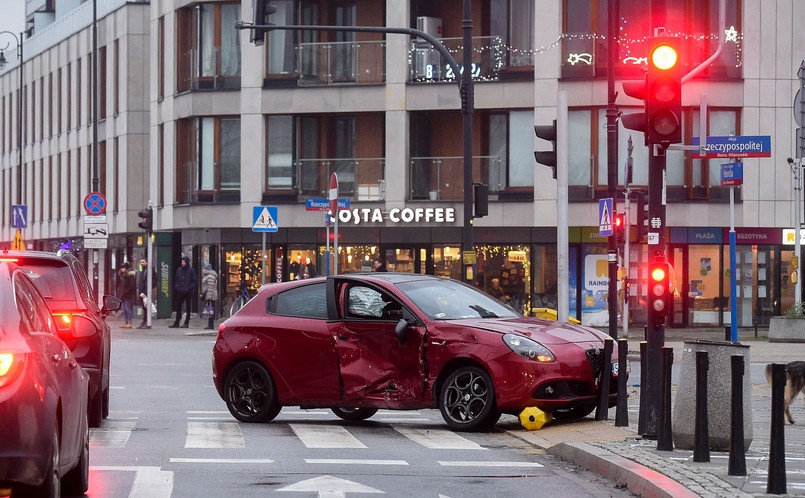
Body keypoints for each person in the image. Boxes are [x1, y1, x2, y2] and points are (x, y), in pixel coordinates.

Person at [170, 256, 198, 328]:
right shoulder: (179, 270)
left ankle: (186, 322)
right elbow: (177, 279)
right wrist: (177, 286)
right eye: (182, 262)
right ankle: (177, 322)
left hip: (188, 292)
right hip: (180, 291)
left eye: (184, 262)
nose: (183, 263)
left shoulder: (191, 270)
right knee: (178, 306)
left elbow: (194, 281)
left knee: (188, 307)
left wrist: (189, 288)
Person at [136, 257, 158, 329]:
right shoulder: (141, 270)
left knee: (147, 307)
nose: (142, 263)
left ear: (146, 262)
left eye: (143, 262)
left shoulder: (149, 270)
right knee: (144, 307)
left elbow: (155, 279)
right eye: (141, 262)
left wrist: (150, 287)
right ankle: (144, 321)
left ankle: (147, 322)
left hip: (146, 291)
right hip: (142, 291)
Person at [116, 263, 136, 328]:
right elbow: (121, 286)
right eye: (121, 268)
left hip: (128, 295)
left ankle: (129, 322)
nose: (122, 269)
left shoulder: (130, 276)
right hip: (122, 294)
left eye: (123, 268)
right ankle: (126, 322)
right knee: (124, 309)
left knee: (127, 308)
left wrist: (125, 291)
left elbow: (132, 286)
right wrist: (119, 291)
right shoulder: (122, 276)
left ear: (126, 269)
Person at [200, 263, 219, 330]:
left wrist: (209, 297)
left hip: (210, 296)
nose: (203, 270)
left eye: (204, 269)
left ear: (207, 270)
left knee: (210, 310)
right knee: (210, 310)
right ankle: (210, 324)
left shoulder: (210, 277)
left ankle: (211, 325)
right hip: (211, 296)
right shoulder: (210, 276)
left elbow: (210, 288)